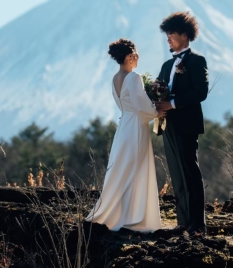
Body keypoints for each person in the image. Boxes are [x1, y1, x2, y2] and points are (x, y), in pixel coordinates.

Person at [86, 38, 163, 232]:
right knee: (135, 169)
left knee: (123, 168)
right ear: (129, 56)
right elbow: (142, 106)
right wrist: (156, 112)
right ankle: (132, 216)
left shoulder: (115, 79)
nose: (138, 58)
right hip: (136, 126)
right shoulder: (133, 77)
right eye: (136, 55)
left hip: (124, 127)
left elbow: (126, 104)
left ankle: (120, 212)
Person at [155, 12, 209, 236]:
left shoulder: (197, 61)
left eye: (172, 34)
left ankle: (198, 224)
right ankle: (183, 222)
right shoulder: (167, 65)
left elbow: (201, 93)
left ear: (185, 35)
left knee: (190, 174)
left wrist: (172, 104)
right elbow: (158, 89)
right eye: (166, 34)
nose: (168, 38)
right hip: (168, 126)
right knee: (176, 174)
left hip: (187, 124)